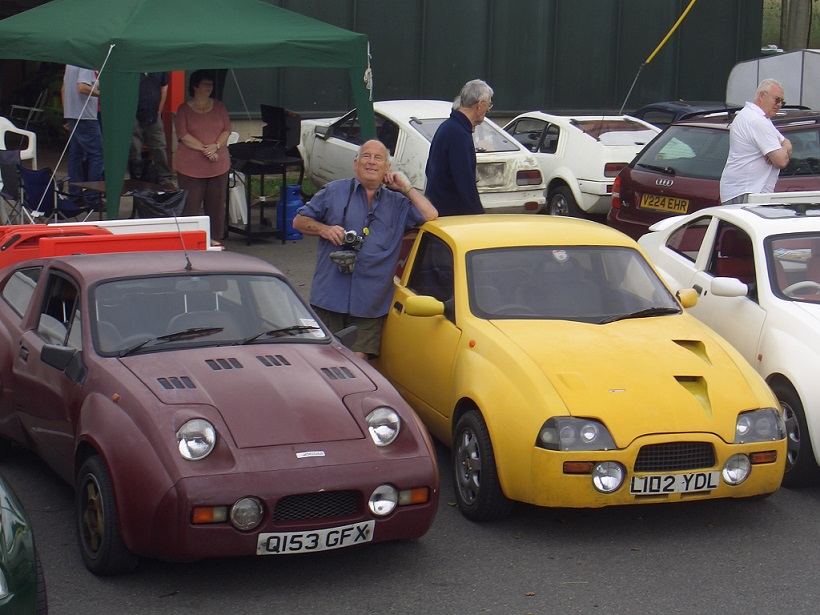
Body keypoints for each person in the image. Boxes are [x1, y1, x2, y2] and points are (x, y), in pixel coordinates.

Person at [293, 139, 438, 359]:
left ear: (387, 168)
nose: (371, 162)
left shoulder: (398, 203)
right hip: (329, 296)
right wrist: (324, 229)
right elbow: (298, 222)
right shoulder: (333, 192)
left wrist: (405, 187)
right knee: (324, 362)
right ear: (355, 164)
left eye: (378, 158)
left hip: (369, 302)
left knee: (357, 365)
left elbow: (430, 215)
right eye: (366, 157)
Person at [174, 70, 232, 242]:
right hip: (190, 166)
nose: (209, 88)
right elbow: (183, 135)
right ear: (195, 86)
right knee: (191, 205)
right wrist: (205, 150)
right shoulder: (183, 109)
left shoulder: (219, 106)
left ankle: (214, 238)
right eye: (205, 84)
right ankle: (191, 239)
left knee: (216, 206)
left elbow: (226, 130)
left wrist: (216, 146)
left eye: (211, 84)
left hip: (218, 165)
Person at [424, 79, 493, 216]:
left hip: (438, 210)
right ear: (479, 105)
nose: (488, 109)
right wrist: (479, 215)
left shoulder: (449, 127)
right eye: (489, 105)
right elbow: (465, 181)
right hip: (450, 217)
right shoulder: (458, 134)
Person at [719, 78, 793, 204]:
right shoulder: (756, 121)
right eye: (777, 100)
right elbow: (781, 161)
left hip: (747, 191)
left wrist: (781, 150)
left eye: (782, 101)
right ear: (762, 95)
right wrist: (777, 152)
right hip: (746, 192)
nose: (779, 105)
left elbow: (787, 144)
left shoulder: (758, 118)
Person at [62, 64, 103, 207]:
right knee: (97, 155)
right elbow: (82, 87)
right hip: (86, 115)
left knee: (76, 156)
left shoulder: (70, 63)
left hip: (72, 112)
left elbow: (64, 88)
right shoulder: (87, 63)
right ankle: (92, 198)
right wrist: (102, 94)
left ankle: (74, 195)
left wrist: (66, 114)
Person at [130, 72, 174, 187]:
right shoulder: (132, 67)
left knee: (159, 146)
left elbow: (164, 85)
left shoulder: (159, 68)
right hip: (133, 114)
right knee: (135, 150)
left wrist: (160, 108)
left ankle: (165, 179)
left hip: (154, 114)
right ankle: (136, 178)